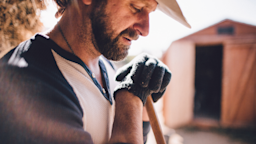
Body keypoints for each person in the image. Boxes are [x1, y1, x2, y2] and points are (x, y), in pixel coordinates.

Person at [0, 0, 190, 143]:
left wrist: (142, 109)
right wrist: (130, 100)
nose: (145, 29)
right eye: (136, 7)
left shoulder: (105, 65)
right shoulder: (28, 84)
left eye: (150, 13)